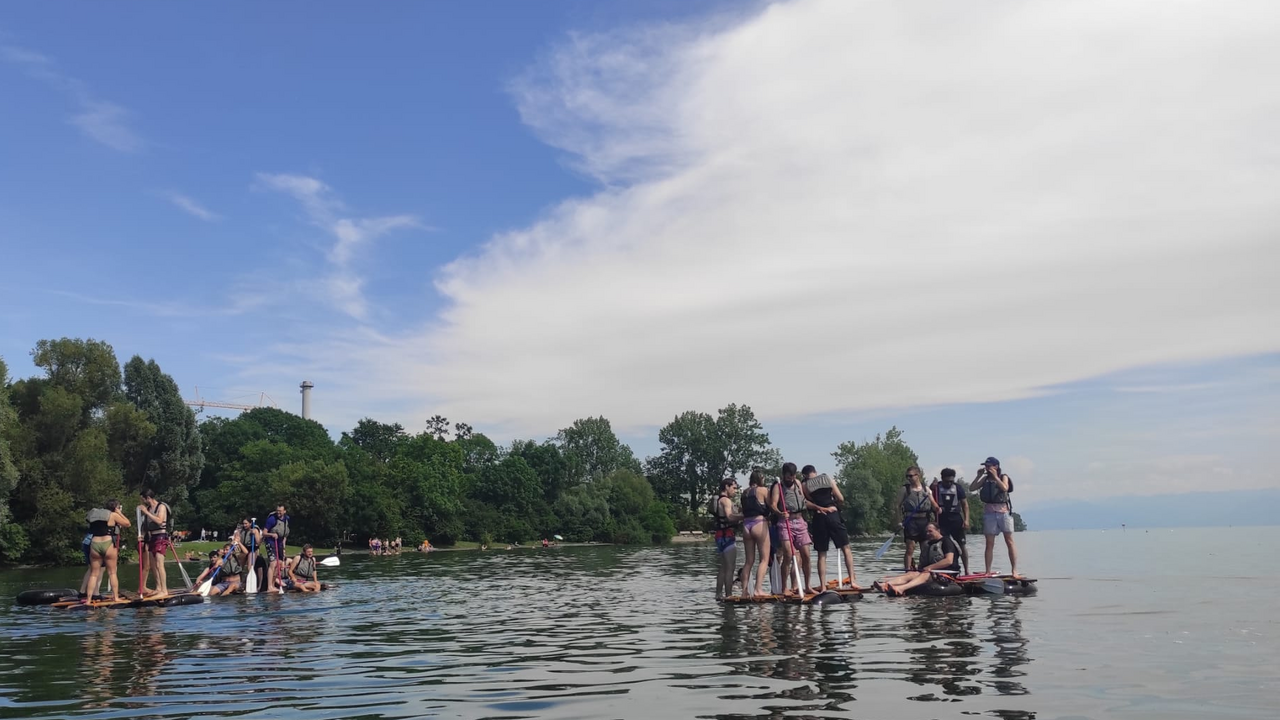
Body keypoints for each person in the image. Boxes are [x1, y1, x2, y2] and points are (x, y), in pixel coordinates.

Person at [801, 465, 862, 591]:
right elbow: (840, 498)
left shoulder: (805, 486)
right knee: (846, 549)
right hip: (833, 515)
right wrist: (834, 503)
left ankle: (823, 586)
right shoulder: (828, 479)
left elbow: (808, 502)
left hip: (819, 518)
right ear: (815, 472)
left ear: (804, 475)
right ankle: (853, 581)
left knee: (821, 554)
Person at [873, 523, 961, 596]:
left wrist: (930, 567)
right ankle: (885, 585)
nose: (927, 533)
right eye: (926, 532)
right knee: (911, 574)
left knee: (925, 574)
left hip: (947, 574)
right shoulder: (929, 544)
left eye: (930, 531)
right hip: (933, 572)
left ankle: (901, 588)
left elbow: (949, 560)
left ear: (938, 531)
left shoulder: (946, 541)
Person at [770, 462, 818, 595]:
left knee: (806, 556)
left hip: (800, 521)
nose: (790, 478)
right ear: (783, 475)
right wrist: (780, 513)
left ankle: (807, 586)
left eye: (792, 475)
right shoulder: (778, 486)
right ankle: (784, 588)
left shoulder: (797, 483)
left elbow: (804, 501)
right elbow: (773, 505)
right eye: (788, 476)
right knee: (788, 555)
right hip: (785, 523)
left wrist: (819, 507)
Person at [970, 456, 1020, 577]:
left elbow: (1005, 488)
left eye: (989, 466)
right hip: (990, 513)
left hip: (1003, 512)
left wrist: (996, 477)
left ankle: (1014, 570)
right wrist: (978, 476)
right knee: (989, 543)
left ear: (996, 466)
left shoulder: (1003, 476)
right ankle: (987, 571)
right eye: (986, 466)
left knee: (1009, 541)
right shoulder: (985, 479)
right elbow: (972, 488)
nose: (987, 468)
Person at [81, 500, 132, 604]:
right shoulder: (113, 515)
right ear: (115, 507)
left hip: (94, 544)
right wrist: (119, 513)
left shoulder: (94, 515)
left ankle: (89, 600)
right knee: (112, 572)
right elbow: (128, 523)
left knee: (94, 574)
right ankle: (116, 597)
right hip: (107, 543)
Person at [893, 467, 939, 572]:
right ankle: (908, 571)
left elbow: (934, 504)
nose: (909, 478)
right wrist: (899, 521)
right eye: (907, 476)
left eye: (911, 476)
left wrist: (937, 508)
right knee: (910, 548)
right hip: (911, 522)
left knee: (925, 548)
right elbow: (897, 506)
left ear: (917, 475)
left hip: (924, 521)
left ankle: (924, 570)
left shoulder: (926, 489)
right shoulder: (905, 489)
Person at [737, 468, 772, 597]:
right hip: (759, 523)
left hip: (746, 525)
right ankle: (758, 589)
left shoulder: (744, 493)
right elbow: (771, 505)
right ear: (760, 479)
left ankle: (744, 591)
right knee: (764, 559)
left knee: (748, 561)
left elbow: (742, 509)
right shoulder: (763, 490)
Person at [932, 468, 971, 575]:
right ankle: (944, 569)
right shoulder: (936, 488)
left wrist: (966, 520)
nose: (949, 483)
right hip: (942, 519)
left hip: (956, 519)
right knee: (942, 544)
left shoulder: (958, 488)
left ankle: (967, 570)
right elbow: (929, 497)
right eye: (947, 481)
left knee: (961, 544)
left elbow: (965, 505)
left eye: (951, 481)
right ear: (942, 479)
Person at [137, 489, 172, 598]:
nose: (143, 502)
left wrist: (146, 512)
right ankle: (158, 588)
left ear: (148, 498)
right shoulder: (148, 508)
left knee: (159, 564)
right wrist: (141, 535)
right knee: (153, 565)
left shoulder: (161, 507)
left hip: (160, 537)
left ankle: (164, 590)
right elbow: (146, 525)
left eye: (143, 499)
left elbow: (159, 521)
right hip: (152, 537)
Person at [712, 478, 743, 599]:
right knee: (730, 567)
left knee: (723, 567)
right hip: (727, 535)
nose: (735, 491)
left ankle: (719, 594)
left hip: (719, 535)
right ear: (726, 487)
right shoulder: (726, 501)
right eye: (734, 488)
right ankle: (729, 594)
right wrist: (744, 517)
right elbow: (730, 517)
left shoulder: (719, 500)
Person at [262, 505, 290, 592]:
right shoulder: (272, 519)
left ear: (284, 511)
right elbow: (264, 533)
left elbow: (285, 535)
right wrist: (272, 534)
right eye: (277, 511)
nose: (278, 512)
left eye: (280, 511)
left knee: (279, 564)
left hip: (280, 544)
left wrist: (284, 547)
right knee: (273, 563)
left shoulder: (286, 519)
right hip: (271, 542)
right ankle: (269, 586)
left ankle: (273, 584)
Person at [236, 518, 264, 589]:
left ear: (250, 523)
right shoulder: (240, 531)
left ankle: (249, 583)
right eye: (244, 523)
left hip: (252, 549)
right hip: (243, 549)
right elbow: (236, 539)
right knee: (240, 568)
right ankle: (240, 582)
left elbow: (258, 543)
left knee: (249, 567)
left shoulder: (255, 530)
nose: (244, 525)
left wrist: (254, 534)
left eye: (246, 523)